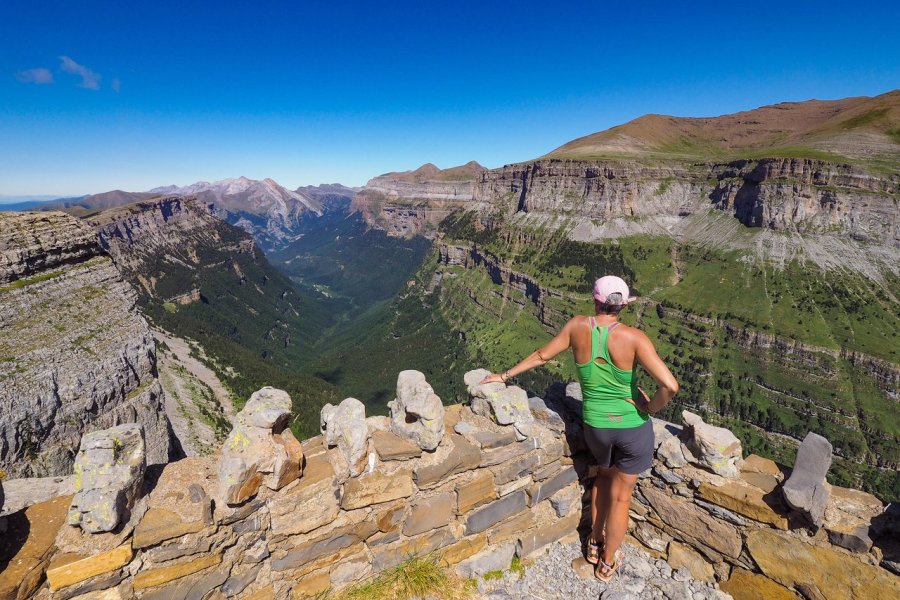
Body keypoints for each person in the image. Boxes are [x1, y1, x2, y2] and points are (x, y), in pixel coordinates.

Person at [480, 275, 678, 582]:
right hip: (632, 427)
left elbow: (543, 355)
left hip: (596, 426)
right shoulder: (634, 338)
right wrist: (648, 408)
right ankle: (608, 563)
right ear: (622, 305)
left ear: (594, 299)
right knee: (622, 497)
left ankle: (594, 546)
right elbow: (670, 385)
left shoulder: (576, 327)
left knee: (602, 479)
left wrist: (504, 375)